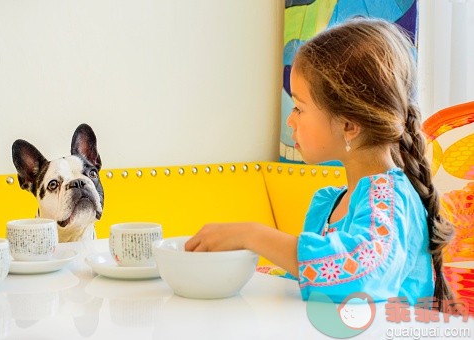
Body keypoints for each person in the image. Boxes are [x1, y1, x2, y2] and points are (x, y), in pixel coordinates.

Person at [185, 17, 454, 310]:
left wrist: (252, 235)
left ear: (349, 125)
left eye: (299, 107)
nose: (290, 119)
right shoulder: (327, 203)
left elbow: (361, 274)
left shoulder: (390, 198)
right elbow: (305, 284)